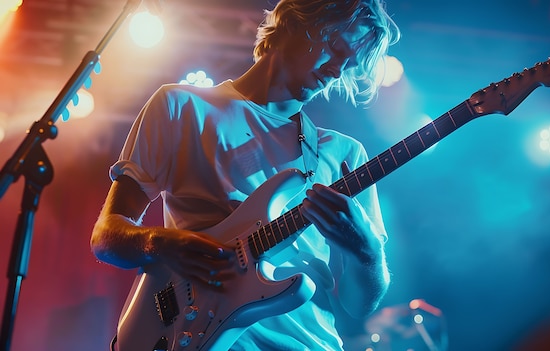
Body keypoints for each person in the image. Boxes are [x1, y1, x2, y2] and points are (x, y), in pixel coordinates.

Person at [90, 0, 400, 349]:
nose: (338, 70)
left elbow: (359, 305)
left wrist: (366, 250)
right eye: (336, 47)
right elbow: (106, 238)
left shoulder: (344, 153)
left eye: (350, 63)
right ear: (294, 20)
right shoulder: (181, 107)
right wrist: (158, 243)